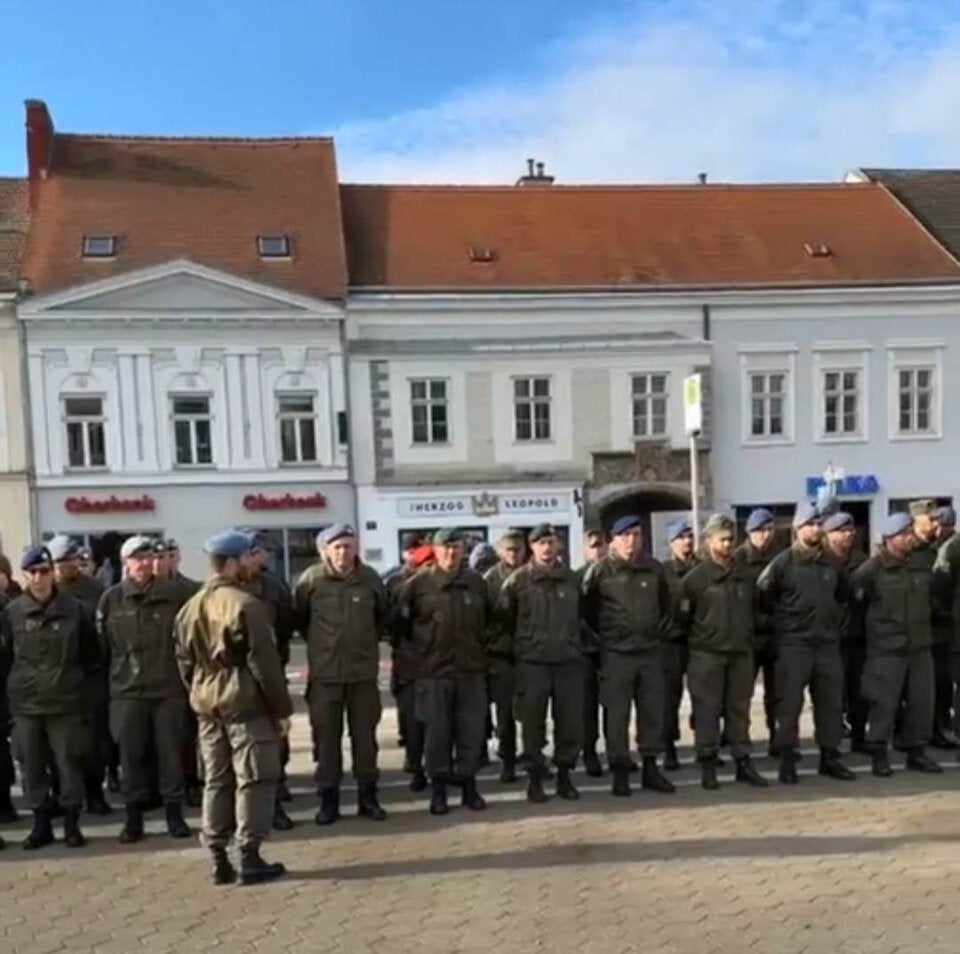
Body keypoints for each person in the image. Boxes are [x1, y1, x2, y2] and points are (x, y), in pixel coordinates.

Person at [174, 531, 292, 886]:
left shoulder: (189, 608)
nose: (251, 564)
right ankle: (249, 855)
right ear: (230, 563)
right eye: (245, 558)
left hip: (207, 705)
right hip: (244, 703)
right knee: (255, 778)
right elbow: (265, 664)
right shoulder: (246, 605)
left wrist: (200, 693)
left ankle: (217, 856)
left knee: (216, 779)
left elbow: (184, 663)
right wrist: (281, 711)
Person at [1, 545, 100, 849]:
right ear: (24, 574)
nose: (39, 578)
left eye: (44, 571)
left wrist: (80, 692)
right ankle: (41, 824)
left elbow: (91, 655)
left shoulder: (75, 609)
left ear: (52, 573)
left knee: (68, 763)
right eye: (32, 572)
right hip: (26, 704)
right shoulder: (12, 612)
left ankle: (71, 823)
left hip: (65, 702)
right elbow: (6, 658)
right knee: (31, 765)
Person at [98, 535, 192, 842]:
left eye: (149, 557)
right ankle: (133, 820)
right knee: (131, 758)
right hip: (127, 692)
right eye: (137, 558)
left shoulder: (175, 595)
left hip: (168, 690)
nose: (144, 563)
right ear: (125, 563)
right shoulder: (111, 599)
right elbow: (102, 649)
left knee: (171, 757)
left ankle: (175, 816)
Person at [294, 524, 388, 826]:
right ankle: (328, 801)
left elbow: (382, 618)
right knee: (326, 742)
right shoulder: (311, 581)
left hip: (362, 676)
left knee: (365, 740)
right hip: (326, 677)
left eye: (348, 546)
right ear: (325, 551)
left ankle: (368, 798)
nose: (343, 553)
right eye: (337, 547)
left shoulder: (370, 579)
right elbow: (300, 620)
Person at [393, 527, 491, 815]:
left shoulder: (475, 583)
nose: (451, 553)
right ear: (435, 550)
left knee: (471, 732)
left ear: (463, 550)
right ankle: (438, 792)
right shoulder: (418, 585)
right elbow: (399, 627)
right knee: (437, 735)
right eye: (446, 547)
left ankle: (469, 787)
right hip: (433, 673)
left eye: (456, 547)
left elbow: (489, 621)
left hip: (470, 671)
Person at [757, 502, 855, 785]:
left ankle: (830, 757)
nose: (814, 529)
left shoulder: (831, 563)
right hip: (794, 645)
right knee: (789, 705)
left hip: (826, 645)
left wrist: (833, 623)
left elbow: (843, 595)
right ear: (797, 529)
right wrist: (783, 625)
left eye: (817, 524)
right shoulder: (783, 563)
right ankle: (788, 759)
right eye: (808, 524)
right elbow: (763, 596)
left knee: (830, 703)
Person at [582, 515, 674, 797]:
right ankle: (619, 772)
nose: (631, 541)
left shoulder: (654, 569)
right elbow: (585, 611)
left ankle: (650, 769)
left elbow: (666, 605)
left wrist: (656, 632)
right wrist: (603, 640)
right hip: (616, 655)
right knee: (617, 716)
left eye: (636, 535)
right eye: (625, 536)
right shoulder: (600, 571)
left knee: (652, 712)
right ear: (613, 540)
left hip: (649, 652)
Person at [495, 524, 586, 803]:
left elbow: (585, 614)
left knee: (569, 723)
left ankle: (564, 777)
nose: (547, 548)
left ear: (558, 545)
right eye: (540, 543)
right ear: (531, 548)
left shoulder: (571, 579)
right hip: (532, 664)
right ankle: (534, 779)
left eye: (550, 542)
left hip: (567, 663)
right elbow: (503, 620)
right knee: (532, 725)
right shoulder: (518, 581)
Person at [682, 514, 767, 790]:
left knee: (739, 710)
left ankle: (743, 762)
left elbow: (756, 611)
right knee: (707, 711)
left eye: (731, 539)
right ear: (709, 541)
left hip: (740, 653)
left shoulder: (745, 576)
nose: (728, 544)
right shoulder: (695, 580)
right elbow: (682, 620)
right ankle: (708, 764)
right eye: (722, 539)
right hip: (707, 655)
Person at [853, 513, 942, 777]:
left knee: (921, 702)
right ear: (889, 538)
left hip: (919, 646)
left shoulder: (920, 564)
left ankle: (917, 752)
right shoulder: (872, 568)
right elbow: (856, 602)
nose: (909, 538)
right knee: (884, 703)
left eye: (910, 533)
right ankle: (879, 753)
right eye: (903, 535)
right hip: (886, 648)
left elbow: (934, 597)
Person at [47, 534, 112, 815]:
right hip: (56, 679)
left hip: (90, 676)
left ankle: (95, 793)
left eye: (71, 559)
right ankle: (63, 794)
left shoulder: (96, 590)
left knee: (95, 741)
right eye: (60, 561)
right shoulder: (45, 593)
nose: (67, 565)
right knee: (59, 745)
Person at [242, 533, 296, 830]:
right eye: (251, 553)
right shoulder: (220, 592)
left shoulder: (274, 587)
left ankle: (274, 802)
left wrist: (275, 659)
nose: (257, 558)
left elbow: (286, 625)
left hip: (269, 672)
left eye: (258, 553)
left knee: (273, 743)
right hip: (233, 681)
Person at [385, 535, 433, 791]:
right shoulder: (399, 584)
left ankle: (437, 766)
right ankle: (415, 766)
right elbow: (392, 624)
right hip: (409, 660)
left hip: (438, 662)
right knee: (413, 720)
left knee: (437, 720)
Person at [907, 501, 955, 748]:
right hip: (913, 631)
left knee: (942, 683)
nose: (937, 525)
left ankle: (938, 728)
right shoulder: (905, 552)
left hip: (940, 629)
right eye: (932, 520)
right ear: (917, 521)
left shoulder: (939, 549)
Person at [482, 529, 528, 783]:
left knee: (532, 713)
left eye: (518, 549)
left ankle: (533, 757)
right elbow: (483, 616)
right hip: (502, 654)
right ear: (500, 552)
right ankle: (508, 761)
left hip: (530, 652)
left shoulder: (531, 574)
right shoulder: (490, 579)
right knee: (505, 714)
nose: (513, 554)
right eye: (509, 550)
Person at [821, 512, 868, 753]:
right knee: (832, 693)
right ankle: (832, 743)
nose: (847, 535)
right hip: (830, 639)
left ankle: (859, 736)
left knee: (859, 691)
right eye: (841, 531)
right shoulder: (821, 562)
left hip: (858, 636)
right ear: (828, 535)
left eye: (850, 530)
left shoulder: (863, 562)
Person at [734, 508, 779, 756]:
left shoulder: (779, 558)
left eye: (769, 529)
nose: (765, 535)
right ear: (749, 532)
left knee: (777, 693)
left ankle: (776, 737)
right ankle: (740, 739)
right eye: (759, 530)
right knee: (741, 695)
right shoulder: (737, 560)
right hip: (747, 637)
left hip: (773, 635)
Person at [660, 517, 697, 771]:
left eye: (689, 537)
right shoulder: (662, 572)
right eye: (680, 538)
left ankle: (705, 744)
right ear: (671, 543)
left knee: (703, 696)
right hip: (671, 643)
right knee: (669, 697)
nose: (686, 542)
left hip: (697, 641)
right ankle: (669, 747)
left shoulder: (702, 569)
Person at [578, 529, 607, 777]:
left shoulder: (613, 574)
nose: (597, 551)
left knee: (614, 705)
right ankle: (589, 752)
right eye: (593, 546)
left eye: (601, 546)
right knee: (588, 707)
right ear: (585, 550)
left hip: (613, 648)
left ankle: (615, 751)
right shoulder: (577, 578)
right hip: (587, 651)